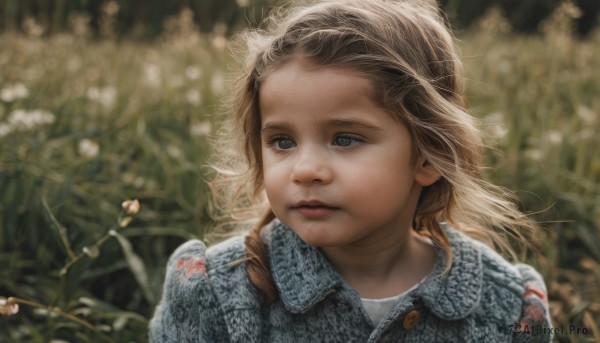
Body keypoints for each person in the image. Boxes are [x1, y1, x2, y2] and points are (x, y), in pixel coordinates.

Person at [150, 0, 552, 341]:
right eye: (282, 142)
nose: (305, 170)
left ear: (429, 156)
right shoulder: (216, 292)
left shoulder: (509, 308)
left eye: (345, 139)